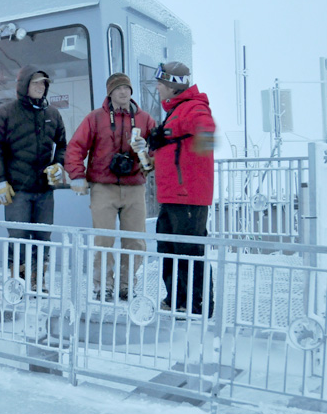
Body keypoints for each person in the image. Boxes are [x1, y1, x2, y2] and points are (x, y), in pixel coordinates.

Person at [131, 61, 216, 316]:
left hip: (189, 196)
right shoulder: (177, 110)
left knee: (189, 251)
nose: (156, 88)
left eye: (160, 83)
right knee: (168, 249)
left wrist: (166, 132)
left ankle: (199, 305)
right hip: (172, 196)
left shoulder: (195, 107)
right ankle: (177, 300)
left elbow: (206, 133)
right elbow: (180, 149)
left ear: (172, 86)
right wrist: (151, 156)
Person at [65, 73, 156, 302]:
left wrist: (147, 153)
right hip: (103, 186)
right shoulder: (95, 118)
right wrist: (77, 175)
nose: (123, 92)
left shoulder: (145, 120)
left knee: (135, 240)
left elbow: (158, 150)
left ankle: (126, 284)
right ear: (110, 93)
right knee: (103, 239)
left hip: (135, 186)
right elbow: (76, 147)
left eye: (126, 88)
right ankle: (102, 285)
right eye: (118, 89)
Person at [0, 65, 67, 293]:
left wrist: (58, 164)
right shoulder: (6, 113)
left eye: (43, 83)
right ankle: (17, 283)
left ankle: (37, 281)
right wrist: (0, 181)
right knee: (19, 237)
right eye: (35, 83)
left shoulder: (52, 114)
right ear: (24, 86)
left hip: (44, 189)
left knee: (43, 237)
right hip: (17, 190)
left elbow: (62, 144)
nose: (40, 87)